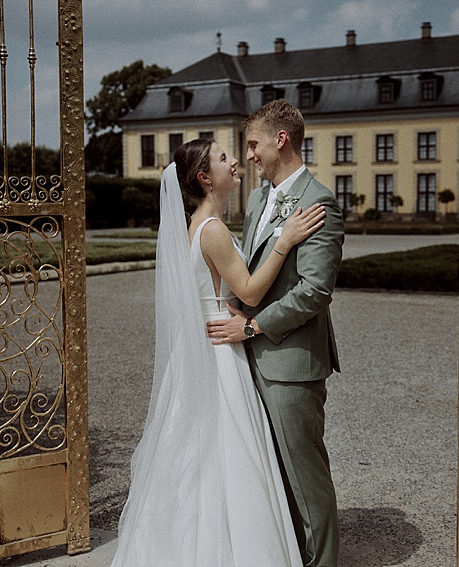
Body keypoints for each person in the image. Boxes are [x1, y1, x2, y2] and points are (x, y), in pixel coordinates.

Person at [110, 138, 326, 567]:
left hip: (203, 349)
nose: (236, 161)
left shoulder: (194, 226)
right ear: (206, 178)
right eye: (225, 158)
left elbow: (216, 292)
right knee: (231, 455)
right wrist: (286, 239)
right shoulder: (212, 230)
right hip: (221, 355)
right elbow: (247, 288)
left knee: (200, 454)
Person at [207, 99, 345, 567]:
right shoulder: (261, 198)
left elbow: (315, 292)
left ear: (279, 139)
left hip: (291, 362)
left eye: (252, 144)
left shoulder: (318, 200)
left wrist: (251, 325)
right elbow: (250, 266)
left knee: (305, 476)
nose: (248, 156)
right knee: (274, 473)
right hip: (252, 356)